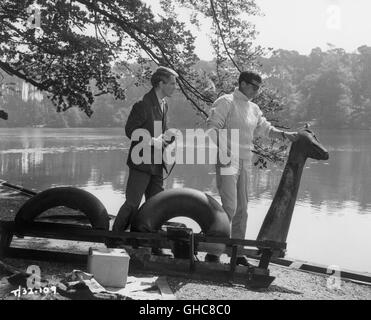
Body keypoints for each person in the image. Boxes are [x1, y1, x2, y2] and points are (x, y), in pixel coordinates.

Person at [206, 71, 298, 265]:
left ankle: (237, 254)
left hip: (245, 162)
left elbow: (266, 129)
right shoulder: (226, 101)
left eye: (259, 87)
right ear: (243, 84)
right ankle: (213, 252)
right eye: (254, 86)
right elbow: (212, 129)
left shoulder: (254, 108)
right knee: (229, 207)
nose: (257, 91)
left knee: (242, 210)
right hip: (227, 160)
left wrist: (285, 135)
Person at [111, 66, 178, 255]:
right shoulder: (142, 104)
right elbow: (130, 131)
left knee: (157, 204)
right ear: (160, 84)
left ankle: (151, 244)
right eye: (172, 83)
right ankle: (114, 240)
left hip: (157, 163)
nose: (175, 87)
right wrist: (152, 140)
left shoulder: (164, 104)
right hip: (141, 162)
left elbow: (159, 133)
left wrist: (167, 137)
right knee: (132, 203)